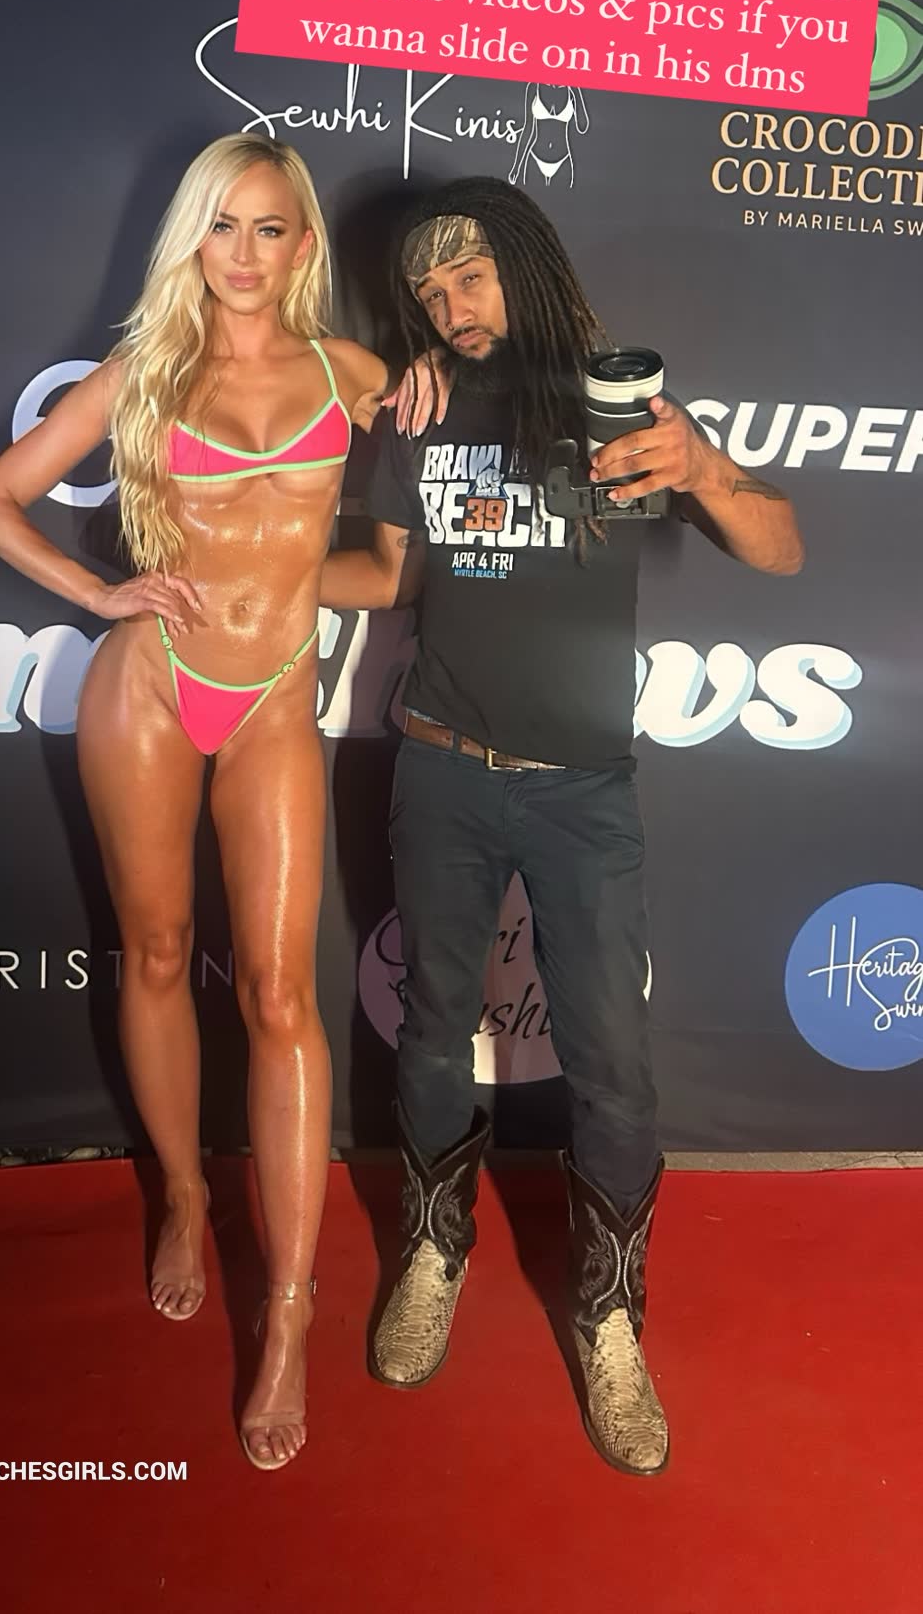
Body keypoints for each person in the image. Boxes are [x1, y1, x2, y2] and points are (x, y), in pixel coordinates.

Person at [0, 133, 435, 1472]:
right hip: (150, 688)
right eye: (221, 225)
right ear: (192, 237)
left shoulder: (356, 375)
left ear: (302, 245)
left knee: (281, 994)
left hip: (276, 692)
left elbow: (395, 562)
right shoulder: (144, 372)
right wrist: (101, 592)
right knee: (158, 952)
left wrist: (303, 580)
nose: (243, 252)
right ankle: (179, 1192)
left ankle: (288, 1306)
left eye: (270, 228)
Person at [321, 175, 803, 1477]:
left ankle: (608, 1318)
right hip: (441, 768)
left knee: (612, 1067)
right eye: (429, 290)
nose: (451, 304)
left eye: (469, 274)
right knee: (433, 1028)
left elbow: (780, 548)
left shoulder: (619, 405)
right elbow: (382, 572)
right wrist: (248, 558)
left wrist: (701, 466)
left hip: (583, 788)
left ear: (525, 264)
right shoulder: (420, 406)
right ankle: (433, 1250)